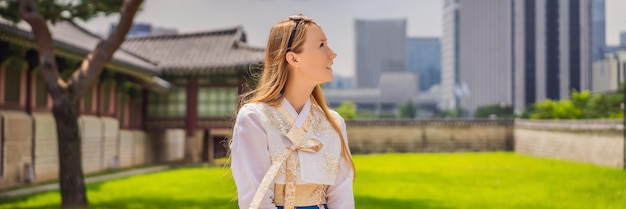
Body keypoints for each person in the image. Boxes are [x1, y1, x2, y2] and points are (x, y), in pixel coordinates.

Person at [230, 14, 356, 209]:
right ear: (293, 58)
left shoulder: (333, 122)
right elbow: (254, 201)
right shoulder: (255, 118)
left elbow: (342, 197)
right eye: (321, 45)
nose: (332, 54)